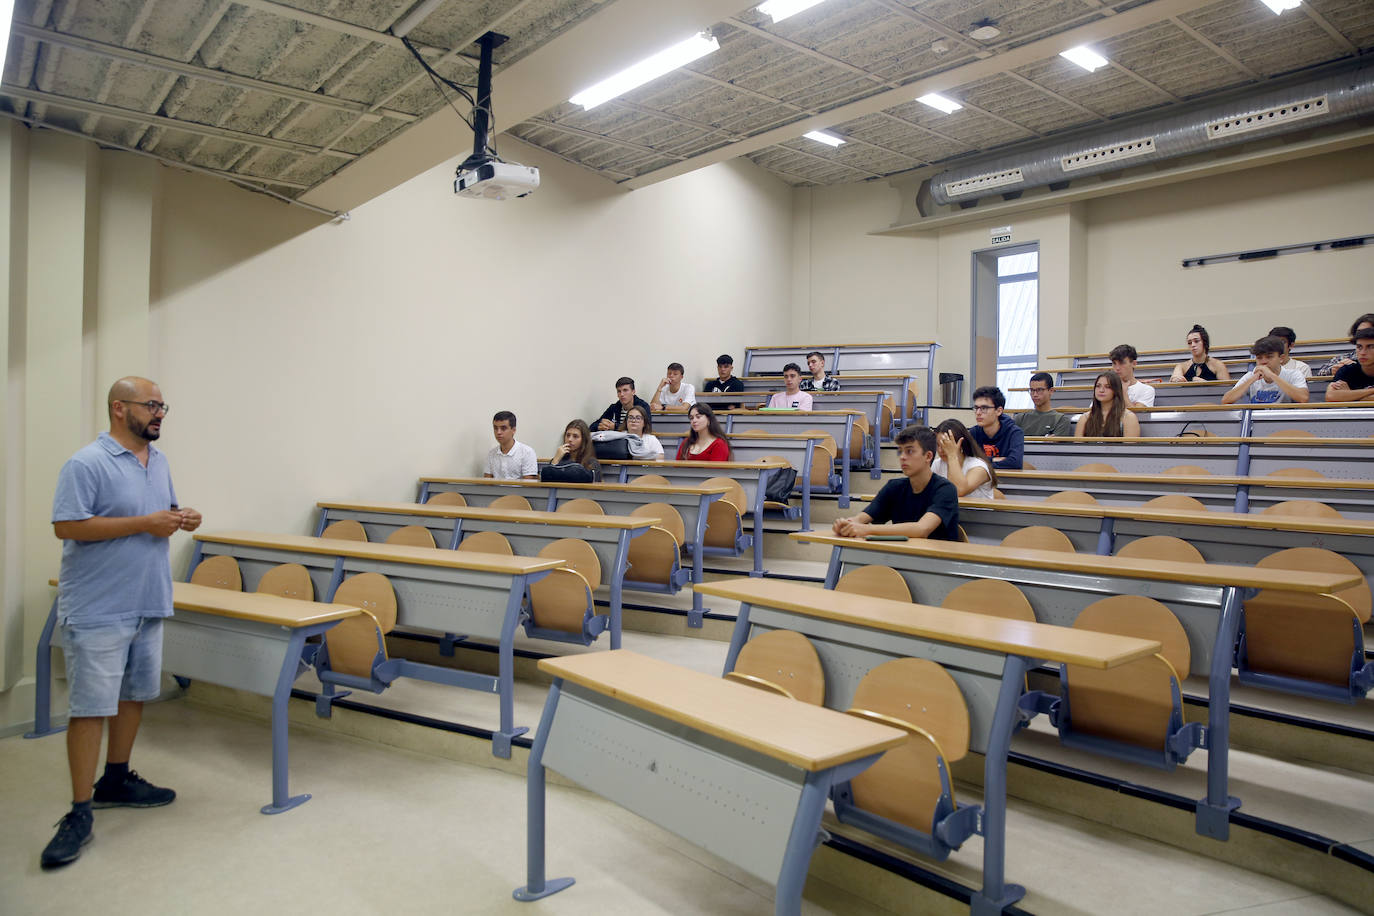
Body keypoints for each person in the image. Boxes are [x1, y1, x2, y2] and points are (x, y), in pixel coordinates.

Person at [43, 377, 203, 869]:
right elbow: (67, 525)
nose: (159, 413)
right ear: (119, 408)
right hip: (98, 607)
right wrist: (144, 524)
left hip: (146, 600)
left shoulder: (159, 462)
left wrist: (182, 517)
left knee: (133, 695)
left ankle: (116, 778)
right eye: (150, 405)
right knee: (91, 707)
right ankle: (78, 810)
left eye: (162, 406)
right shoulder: (86, 462)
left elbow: (159, 513)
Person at [831, 426, 959, 541]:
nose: (902, 457)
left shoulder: (945, 489)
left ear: (928, 456)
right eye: (900, 451)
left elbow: (921, 529)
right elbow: (862, 518)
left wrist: (866, 529)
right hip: (902, 557)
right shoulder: (894, 487)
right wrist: (846, 524)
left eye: (909, 451)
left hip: (939, 562)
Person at [1222, 335, 1309, 404]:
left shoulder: (1293, 374)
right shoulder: (1251, 376)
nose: (1264, 362)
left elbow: (1303, 398)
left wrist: (1272, 375)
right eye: (1259, 358)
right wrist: (1252, 379)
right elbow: (1226, 400)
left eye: (1269, 357)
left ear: (1281, 358)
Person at [933, 419, 996, 499]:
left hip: (976, 511)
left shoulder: (979, 467)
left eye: (945, 445)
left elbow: (958, 491)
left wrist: (952, 455)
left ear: (960, 444)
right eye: (937, 445)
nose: (940, 450)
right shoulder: (937, 464)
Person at [969, 386, 1024, 469]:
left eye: (984, 408)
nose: (978, 412)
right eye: (976, 408)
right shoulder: (974, 432)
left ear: (998, 411)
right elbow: (967, 461)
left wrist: (980, 462)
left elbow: (1015, 463)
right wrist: (995, 459)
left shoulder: (1014, 432)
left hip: (1007, 480)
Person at [1076, 372, 1142, 437]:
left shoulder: (1128, 417)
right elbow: (1078, 446)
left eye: (1107, 387)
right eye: (1098, 386)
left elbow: (1130, 447)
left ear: (1116, 390)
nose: (1101, 390)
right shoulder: (1085, 418)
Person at [1013, 372, 1075, 437]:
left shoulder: (1061, 420)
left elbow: (1054, 446)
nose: (1035, 394)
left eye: (1039, 390)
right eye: (1032, 390)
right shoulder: (1020, 418)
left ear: (1051, 391)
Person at [1323, 326, 1374, 402]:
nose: (1363, 352)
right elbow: (1331, 396)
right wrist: (1371, 391)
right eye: (1359, 347)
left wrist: (1349, 395)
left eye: (1370, 347)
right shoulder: (1347, 370)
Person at [484, 410, 537, 479]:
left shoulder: (527, 452)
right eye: (495, 428)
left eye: (503, 428)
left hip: (518, 489)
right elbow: (487, 482)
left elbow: (529, 484)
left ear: (513, 430)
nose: (498, 432)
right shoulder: (492, 453)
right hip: (496, 490)